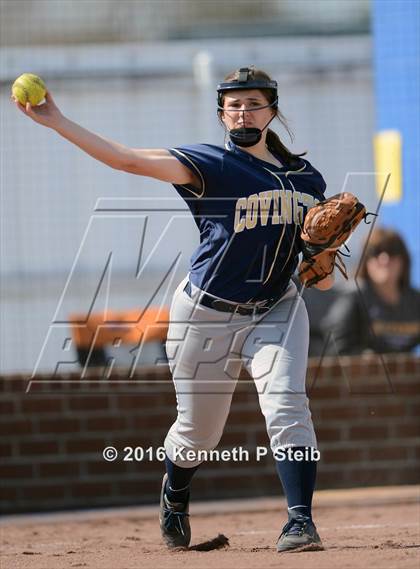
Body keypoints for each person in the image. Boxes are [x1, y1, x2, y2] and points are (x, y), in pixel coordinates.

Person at [13, 66, 334, 553]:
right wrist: (58, 120)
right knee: (198, 433)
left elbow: (324, 277)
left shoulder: (308, 180)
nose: (244, 111)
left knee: (287, 403)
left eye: (253, 102)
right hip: (206, 312)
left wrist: (323, 256)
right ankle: (176, 491)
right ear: (222, 114)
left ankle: (299, 521)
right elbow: (127, 161)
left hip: (277, 307)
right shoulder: (209, 164)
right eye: (234, 104)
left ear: (273, 109)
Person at [321, 227, 420, 355]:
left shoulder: (415, 300)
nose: (385, 260)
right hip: (362, 374)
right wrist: (362, 357)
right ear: (365, 261)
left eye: (393, 251)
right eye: (376, 252)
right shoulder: (353, 298)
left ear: (404, 260)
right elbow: (334, 347)